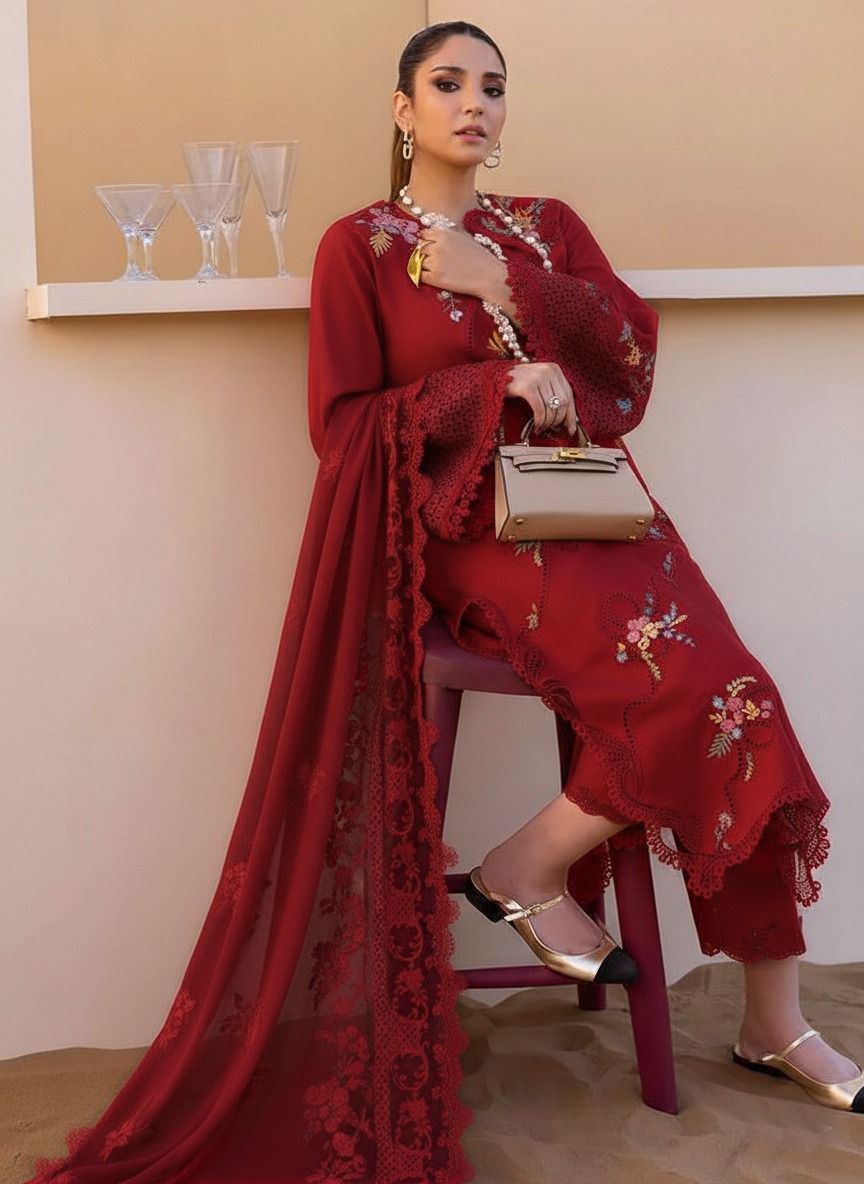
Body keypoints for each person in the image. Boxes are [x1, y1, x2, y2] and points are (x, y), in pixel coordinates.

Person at [24, 19, 862, 1184]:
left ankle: (719, 983)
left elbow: (632, 356)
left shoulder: (545, 228)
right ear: (401, 108)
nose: (476, 104)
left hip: (599, 517)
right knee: (701, 700)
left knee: (740, 698)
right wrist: (491, 382)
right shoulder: (355, 249)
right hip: (469, 535)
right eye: (449, 84)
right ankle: (550, 889)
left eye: (494, 88)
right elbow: (344, 425)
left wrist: (510, 285)